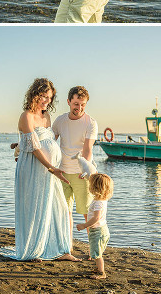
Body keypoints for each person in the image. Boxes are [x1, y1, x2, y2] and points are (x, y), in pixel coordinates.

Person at [0, 78, 80, 261]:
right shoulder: (26, 116)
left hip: (50, 170)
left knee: (56, 206)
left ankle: (62, 250)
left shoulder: (46, 117)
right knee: (34, 208)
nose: (46, 101)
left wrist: (54, 165)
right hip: (33, 168)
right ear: (34, 95)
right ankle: (34, 251)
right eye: (43, 96)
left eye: (49, 98)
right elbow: (34, 147)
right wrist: (52, 167)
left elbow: (45, 141)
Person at [52, 86, 98, 241]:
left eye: (83, 104)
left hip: (81, 175)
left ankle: (93, 250)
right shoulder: (60, 121)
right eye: (76, 103)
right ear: (69, 102)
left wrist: (84, 171)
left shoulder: (90, 123)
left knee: (88, 213)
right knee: (65, 212)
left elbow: (87, 149)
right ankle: (67, 246)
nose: (79, 107)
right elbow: (50, 143)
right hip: (62, 173)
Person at [76, 173, 113, 279]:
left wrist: (84, 225)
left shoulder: (98, 203)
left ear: (95, 188)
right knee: (96, 251)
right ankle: (98, 268)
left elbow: (96, 218)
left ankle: (101, 273)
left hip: (98, 231)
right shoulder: (101, 200)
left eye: (91, 185)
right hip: (100, 229)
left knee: (97, 253)